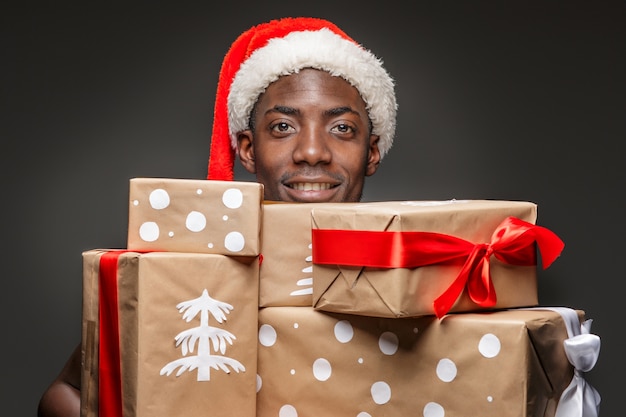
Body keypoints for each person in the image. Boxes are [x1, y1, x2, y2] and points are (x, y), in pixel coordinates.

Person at [37, 16, 397, 417]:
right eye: (282, 126)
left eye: (342, 128)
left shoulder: (416, 274)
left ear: (372, 152)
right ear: (246, 149)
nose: (312, 151)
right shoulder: (184, 265)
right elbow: (66, 393)